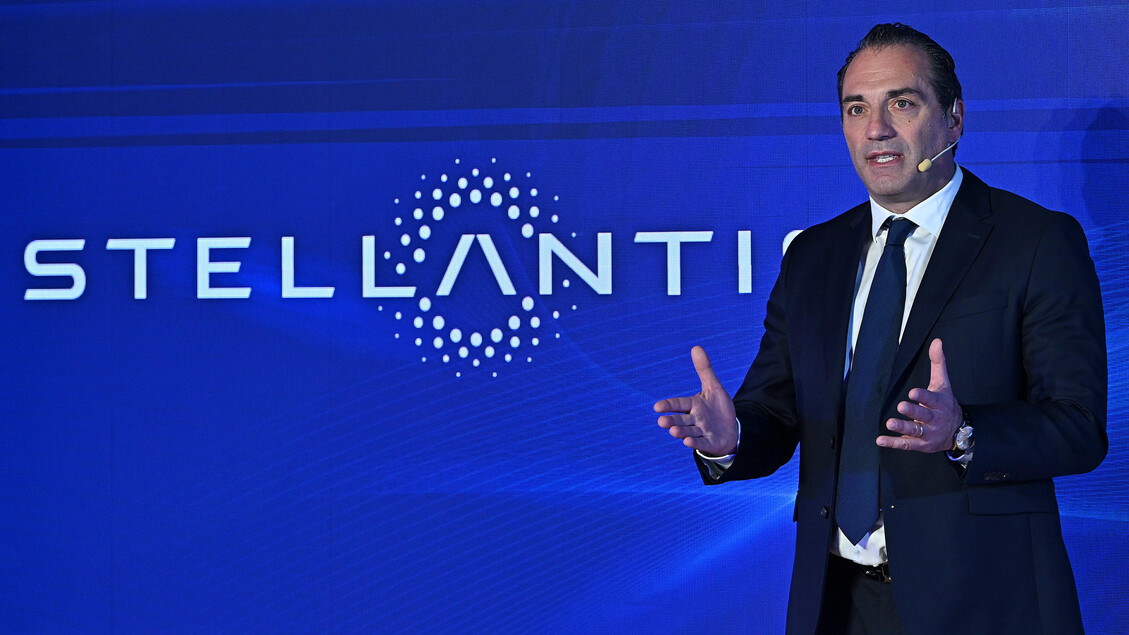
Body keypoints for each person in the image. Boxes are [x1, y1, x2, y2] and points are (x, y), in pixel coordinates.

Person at [654, 23, 1107, 635]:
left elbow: (1078, 428)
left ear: (954, 118)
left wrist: (963, 432)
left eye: (902, 103)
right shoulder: (813, 255)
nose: (876, 129)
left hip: (984, 604)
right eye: (856, 108)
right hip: (836, 604)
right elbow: (778, 412)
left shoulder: (1035, 241)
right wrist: (730, 436)